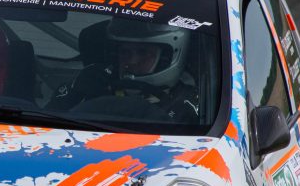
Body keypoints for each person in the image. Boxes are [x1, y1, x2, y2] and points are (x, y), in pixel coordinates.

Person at [57, 18, 199, 120]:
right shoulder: (92, 80)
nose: (132, 61)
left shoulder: (190, 105)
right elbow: (49, 115)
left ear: (168, 57)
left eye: (143, 53)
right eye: (125, 52)